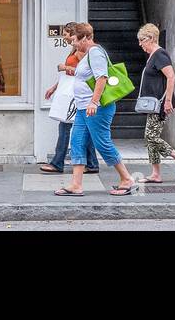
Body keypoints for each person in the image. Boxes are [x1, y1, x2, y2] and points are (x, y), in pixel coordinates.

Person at [54, 22, 135, 197]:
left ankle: (127, 179)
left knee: (102, 143)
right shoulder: (86, 53)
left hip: (97, 109)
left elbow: (102, 78)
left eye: (75, 39)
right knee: (76, 142)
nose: (73, 43)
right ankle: (76, 185)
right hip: (83, 108)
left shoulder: (96, 52)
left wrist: (94, 102)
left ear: (85, 38)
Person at [39, 22, 99, 174]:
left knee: (65, 128)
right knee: (82, 128)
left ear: (74, 34)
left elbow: (83, 72)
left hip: (76, 95)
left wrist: (64, 67)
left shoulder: (81, 51)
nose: (64, 37)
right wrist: (54, 87)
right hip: (73, 93)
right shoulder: (76, 49)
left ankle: (58, 163)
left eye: (66, 34)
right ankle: (91, 163)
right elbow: (69, 76)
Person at [136, 24, 175, 182]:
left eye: (142, 40)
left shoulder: (160, 55)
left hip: (160, 103)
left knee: (151, 136)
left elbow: (171, 76)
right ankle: (155, 174)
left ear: (152, 38)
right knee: (150, 137)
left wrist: (167, 101)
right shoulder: (153, 55)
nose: (140, 44)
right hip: (154, 103)